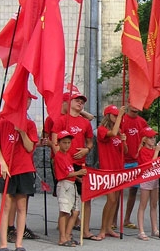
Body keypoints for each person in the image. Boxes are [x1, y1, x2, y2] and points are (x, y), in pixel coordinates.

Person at [0, 99, 39, 251]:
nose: (27, 102)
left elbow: (29, 147)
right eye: (24, 99)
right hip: (7, 169)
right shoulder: (4, 121)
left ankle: (19, 243)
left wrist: (22, 132)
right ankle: (3, 243)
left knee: (21, 207)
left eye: (29, 100)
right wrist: (2, 163)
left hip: (24, 169)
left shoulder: (30, 124)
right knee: (6, 207)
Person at [52, 91, 95, 240]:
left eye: (82, 101)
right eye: (77, 100)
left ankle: (85, 230)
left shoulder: (85, 122)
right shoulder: (62, 120)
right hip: (66, 165)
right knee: (66, 200)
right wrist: (62, 160)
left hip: (80, 163)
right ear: (69, 101)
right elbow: (54, 141)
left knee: (85, 198)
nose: (80, 103)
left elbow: (90, 141)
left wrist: (87, 149)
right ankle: (64, 234)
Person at [96, 105, 127, 239]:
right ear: (108, 116)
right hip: (107, 169)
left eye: (118, 115)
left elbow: (124, 151)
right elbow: (112, 134)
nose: (117, 117)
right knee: (111, 199)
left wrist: (124, 141)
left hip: (117, 169)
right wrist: (121, 115)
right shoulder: (101, 130)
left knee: (115, 200)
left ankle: (109, 227)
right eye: (114, 115)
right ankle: (103, 228)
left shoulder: (118, 130)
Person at [53, 130, 86, 246]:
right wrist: (79, 172)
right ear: (59, 143)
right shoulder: (58, 156)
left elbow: (70, 170)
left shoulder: (68, 155)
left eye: (68, 142)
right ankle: (62, 237)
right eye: (64, 143)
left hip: (72, 184)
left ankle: (68, 234)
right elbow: (63, 174)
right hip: (64, 184)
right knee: (65, 212)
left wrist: (78, 178)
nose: (67, 145)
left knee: (76, 211)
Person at [120, 105, 149, 229]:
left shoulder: (142, 122)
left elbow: (148, 138)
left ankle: (126, 219)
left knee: (133, 190)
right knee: (117, 191)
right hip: (123, 160)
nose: (135, 108)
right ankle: (111, 220)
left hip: (137, 161)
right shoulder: (122, 120)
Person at [136, 127, 160, 240]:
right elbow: (150, 164)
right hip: (146, 178)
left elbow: (159, 162)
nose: (153, 139)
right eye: (150, 138)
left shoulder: (154, 149)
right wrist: (157, 151)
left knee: (154, 205)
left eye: (154, 137)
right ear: (144, 139)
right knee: (143, 205)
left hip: (155, 178)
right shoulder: (143, 151)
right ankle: (141, 230)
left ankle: (155, 229)